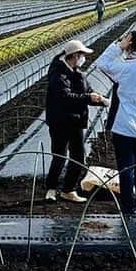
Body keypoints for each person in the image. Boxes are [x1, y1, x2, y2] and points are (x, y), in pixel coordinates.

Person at [95, 29, 136, 216]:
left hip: (124, 127)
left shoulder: (125, 68)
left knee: (126, 169)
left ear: (129, 44)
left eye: (125, 39)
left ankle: (127, 208)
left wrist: (118, 47)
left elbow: (101, 63)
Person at [44, 40, 109, 202]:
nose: (83, 59)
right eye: (81, 55)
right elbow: (65, 97)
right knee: (59, 155)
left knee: (78, 157)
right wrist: (88, 97)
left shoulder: (77, 72)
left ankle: (68, 190)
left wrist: (102, 100)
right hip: (60, 121)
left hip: (75, 121)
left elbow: (87, 91)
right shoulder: (58, 73)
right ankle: (51, 189)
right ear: (73, 56)